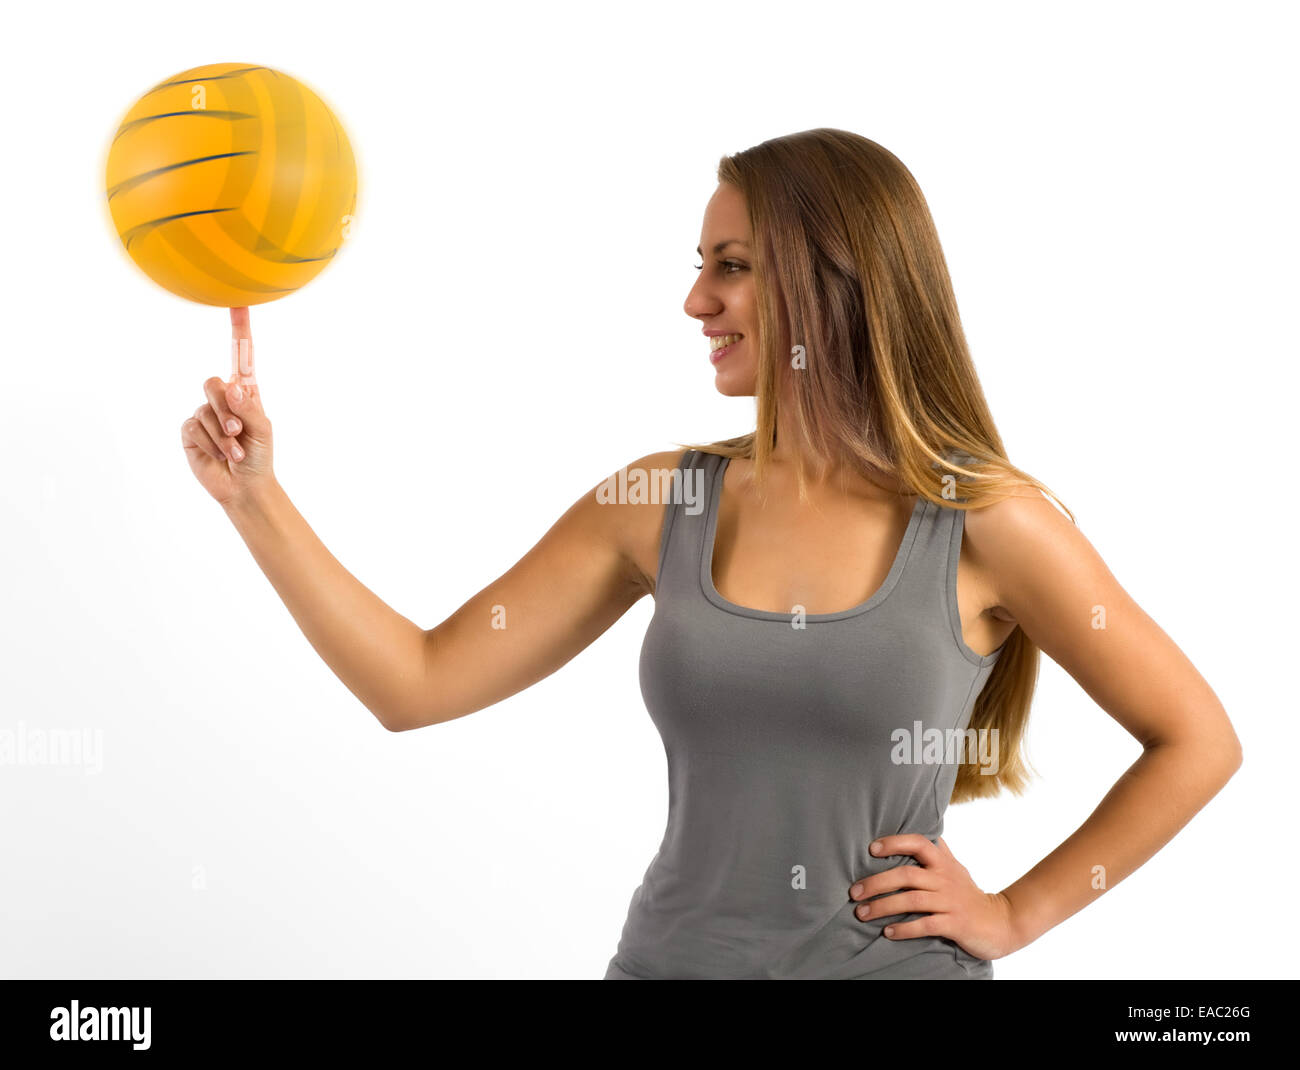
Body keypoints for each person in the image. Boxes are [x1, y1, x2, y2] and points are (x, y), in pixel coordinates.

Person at [180, 128, 1241, 980]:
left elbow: (1195, 739)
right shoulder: (659, 501)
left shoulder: (981, 523)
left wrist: (1015, 912)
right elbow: (414, 681)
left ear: (838, 282)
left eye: (730, 268)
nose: (696, 301)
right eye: (700, 267)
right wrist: (256, 500)